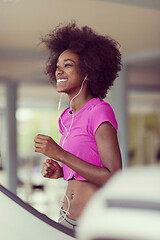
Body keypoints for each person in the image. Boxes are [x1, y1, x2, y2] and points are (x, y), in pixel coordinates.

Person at [34, 22, 122, 231]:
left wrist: (61, 154)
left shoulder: (99, 111)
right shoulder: (66, 117)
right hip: (65, 218)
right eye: (57, 66)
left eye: (68, 65)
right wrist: (60, 171)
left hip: (93, 222)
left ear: (89, 72)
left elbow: (114, 177)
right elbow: (82, 166)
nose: (59, 71)